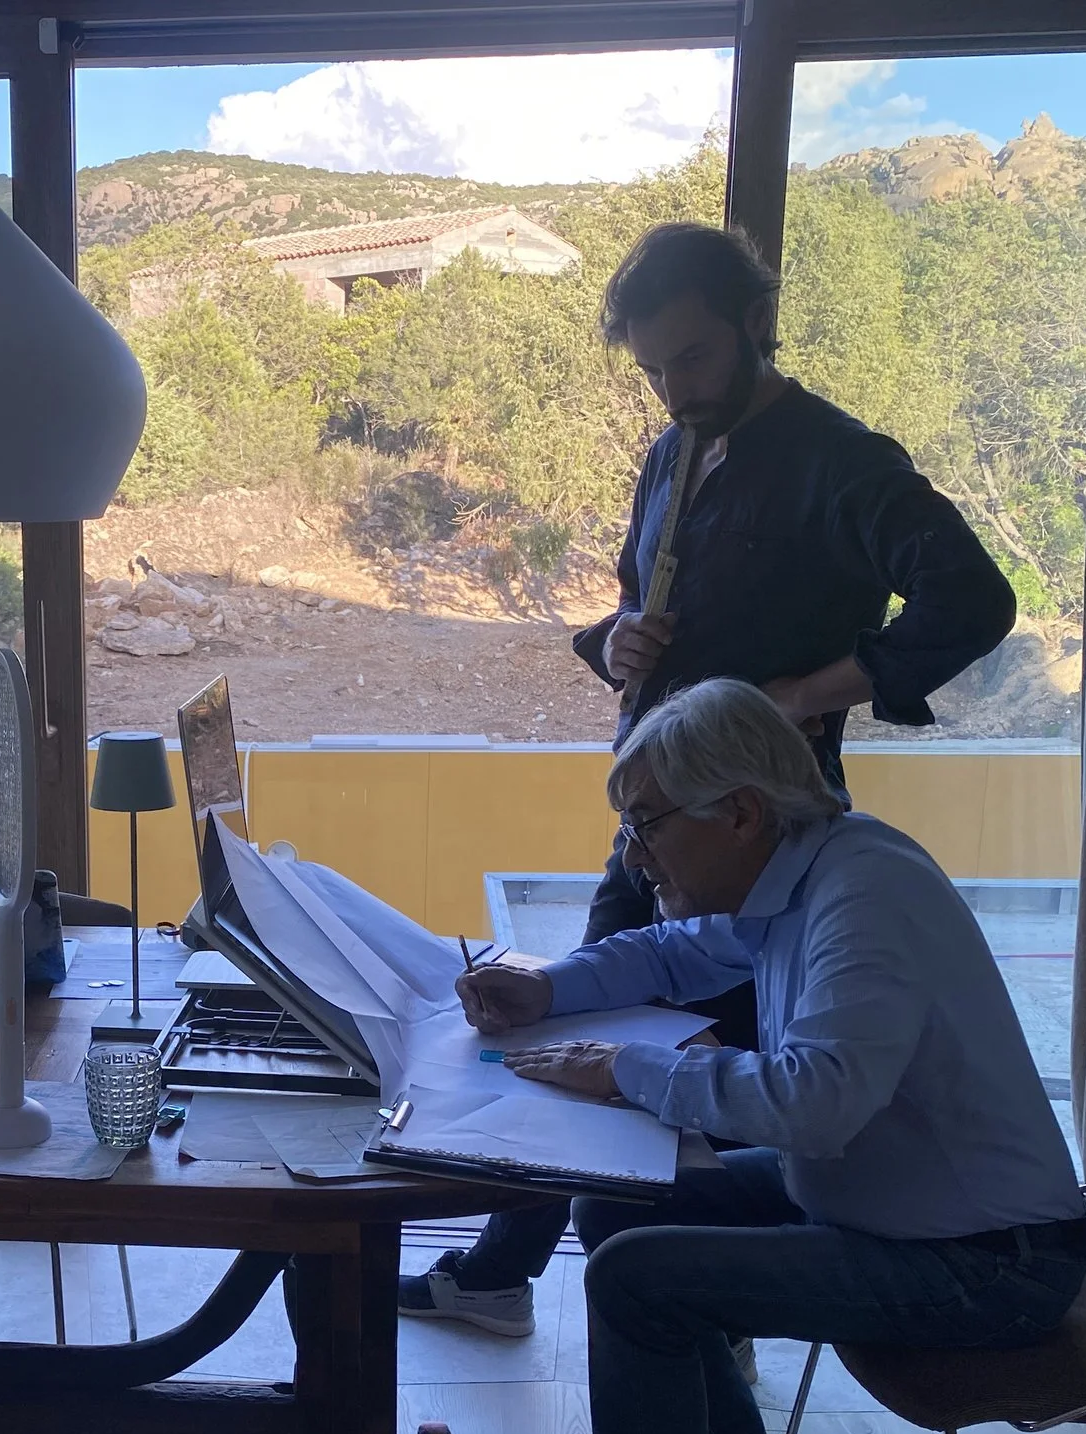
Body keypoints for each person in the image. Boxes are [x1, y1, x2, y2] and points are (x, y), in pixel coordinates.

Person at [403, 220, 1019, 1337]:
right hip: (659, 809)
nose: (672, 390)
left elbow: (974, 603)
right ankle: (513, 1271)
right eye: (650, 370)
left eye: (690, 360)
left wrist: (804, 694)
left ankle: (696, 1333)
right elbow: (654, 609)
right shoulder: (673, 455)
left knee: (722, 1085)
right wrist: (615, 638)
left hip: (750, 830)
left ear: (752, 324)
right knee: (570, 1013)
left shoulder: (844, 460)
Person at [457, 678, 1086, 1434]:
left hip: (988, 1261)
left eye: (648, 824)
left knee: (635, 1280)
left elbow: (816, 1106)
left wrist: (623, 1067)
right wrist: (546, 989)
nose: (635, 856)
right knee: (613, 1200)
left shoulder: (864, 895)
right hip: (872, 1200)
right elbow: (669, 954)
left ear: (741, 812)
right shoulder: (803, 869)